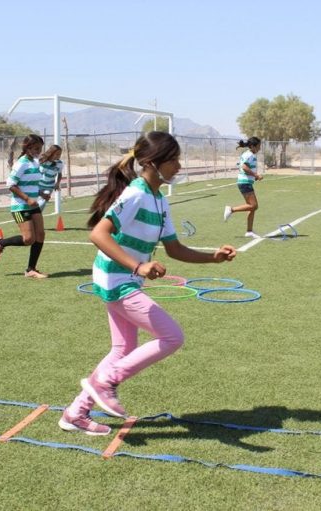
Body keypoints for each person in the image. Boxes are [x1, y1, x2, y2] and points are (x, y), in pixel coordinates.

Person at [60, 131, 237, 436]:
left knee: (123, 347)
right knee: (172, 336)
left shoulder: (159, 201)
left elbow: (175, 249)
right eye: (174, 160)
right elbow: (98, 234)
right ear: (153, 163)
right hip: (115, 278)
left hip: (126, 278)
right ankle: (106, 381)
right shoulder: (135, 194)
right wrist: (139, 266)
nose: (179, 167)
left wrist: (213, 258)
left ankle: (76, 413)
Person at [0, 134, 49, 279]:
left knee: (40, 235)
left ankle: (31, 270)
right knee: (29, 239)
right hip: (20, 206)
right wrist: (27, 198)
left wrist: (41, 193)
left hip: (32, 204)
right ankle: (1, 242)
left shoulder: (35, 162)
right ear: (27, 148)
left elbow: (31, 183)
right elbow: (10, 184)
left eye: (40, 148)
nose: (38, 151)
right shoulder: (21, 163)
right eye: (36, 148)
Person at [223, 137, 263, 237]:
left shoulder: (248, 154)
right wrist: (256, 175)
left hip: (245, 182)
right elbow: (244, 167)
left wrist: (254, 177)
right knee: (254, 206)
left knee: (251, 208)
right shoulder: (249, 155)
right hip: (244, 183)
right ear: (253, 146)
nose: (260, 148)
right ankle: (231, 209)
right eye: (258, 146)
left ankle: (249, 231)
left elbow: (245, 167)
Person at [37, 144, 64, 210]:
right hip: (38, 185)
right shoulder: (43, 161)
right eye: (57, 154)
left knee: (43, 202)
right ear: (51, 153)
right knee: (33, 202)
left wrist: (57, 183)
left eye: (60, 154)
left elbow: (60, 174)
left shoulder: (59, 163)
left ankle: (37, 214)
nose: (58, 156)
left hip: (49, 187)